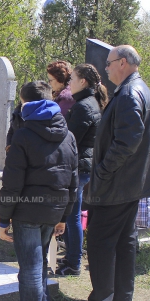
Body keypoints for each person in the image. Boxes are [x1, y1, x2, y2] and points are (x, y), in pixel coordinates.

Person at [69, 45, 150, 301]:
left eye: (109, 63)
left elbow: (128, 141)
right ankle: (121, 299)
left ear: (123, 63)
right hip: (129, 183)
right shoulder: (136, 89)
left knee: (100, 241)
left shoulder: (129, 94)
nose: (106, 68)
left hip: (117, 185)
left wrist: (102, 172)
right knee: (124, 240)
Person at [0, 81, 78, 301]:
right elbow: (73, 181)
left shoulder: (23, 135)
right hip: (53, 210)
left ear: (25, 104)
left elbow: (12, 183)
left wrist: (3, 219)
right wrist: (64, 216)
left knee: (30, 268)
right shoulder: (69, 135)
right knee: (40, 263)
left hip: (28, 211)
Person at [56, 64, 108, 277]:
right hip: (82, 165)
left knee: (72, 216)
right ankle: (70, 258)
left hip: (78, 167)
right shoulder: (87, 103)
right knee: (71, 214)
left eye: (73, 79)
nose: (70, 83)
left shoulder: (83, 106)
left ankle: (74, 262)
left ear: (83, 82)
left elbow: (71, 139)